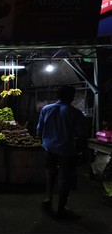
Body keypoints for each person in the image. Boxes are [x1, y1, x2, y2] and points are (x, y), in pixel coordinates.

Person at [36, 85, 88, 220]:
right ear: (72, 96)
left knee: (50, 172)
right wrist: (82, 151)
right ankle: (61, 208)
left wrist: (43, 140)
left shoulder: (46, 109)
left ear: (57, 95)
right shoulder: (75, 113)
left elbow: (39, 130)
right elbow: (82, 134)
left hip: (48, 147)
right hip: (66, 149)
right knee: (65, 178)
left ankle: (48, 198)